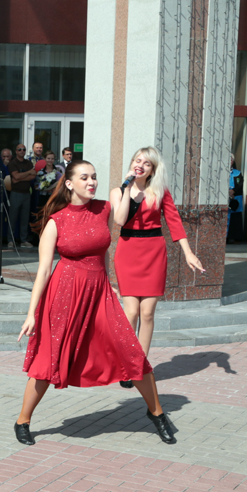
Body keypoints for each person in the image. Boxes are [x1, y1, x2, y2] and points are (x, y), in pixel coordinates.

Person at [15, 160, 176, 446]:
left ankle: (157, 413)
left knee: (131, 350)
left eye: (94, 177)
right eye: (85, 178)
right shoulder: (56, 221)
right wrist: (31, 313)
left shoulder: (104, 209)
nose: (92, 182)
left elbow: (115, 234)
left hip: (99, 291)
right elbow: (43, 271)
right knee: (49, 359)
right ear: (69, 183)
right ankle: (23, 420)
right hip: (64, 293)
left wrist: (132, 180)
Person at [110, 147, 204, 387]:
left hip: (154, 252)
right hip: (128, 251)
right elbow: (120, 220)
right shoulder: (118, 191)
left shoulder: (160, 191)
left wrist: (188, 252)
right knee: (131, 312)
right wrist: (128, 189)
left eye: (147, 163)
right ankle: (127, 362)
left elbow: (174, 221)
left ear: (152, 170)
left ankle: (139, 366)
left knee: (147, 313)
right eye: (137, 160)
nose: (140, 165)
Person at [7, 144, 36, 248]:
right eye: (19, 149)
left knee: (25, 218)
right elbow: (15, 175)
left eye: (23, 149)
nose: (22, 151)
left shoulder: (28, 163)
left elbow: (33, 176)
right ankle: (10, 240)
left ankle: (24, 240)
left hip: (26, 193)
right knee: (13, 217)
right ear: (16, 151)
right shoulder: (13, 163)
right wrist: (27, 173)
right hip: (16, 193)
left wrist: (19, 178)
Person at [227, 155, 245, 244]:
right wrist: (227, 192)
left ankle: (232, 237)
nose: (229, 161)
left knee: (235, 218)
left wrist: (233, 191)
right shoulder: (220, 172)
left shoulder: (238, 173)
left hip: (235, 198)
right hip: (225, 198)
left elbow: (240, 184)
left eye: (231, 160)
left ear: (233, 161)